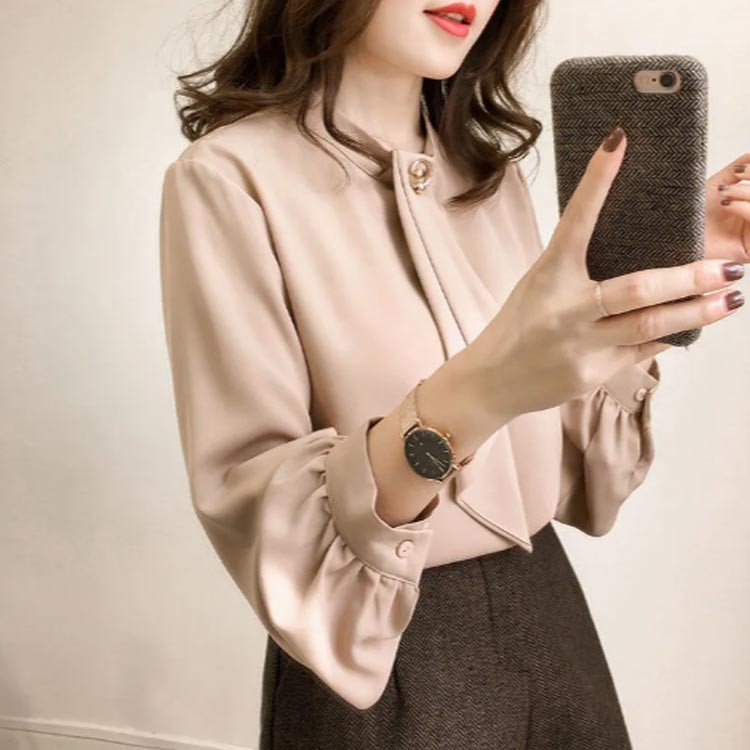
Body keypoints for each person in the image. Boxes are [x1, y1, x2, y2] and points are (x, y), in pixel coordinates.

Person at [158, 1, 746, 747]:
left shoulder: (487, 177)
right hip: (381, 657)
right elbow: (265, 516)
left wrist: (662, 275)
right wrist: (486, 386)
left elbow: (578, 479)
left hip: (552, 619)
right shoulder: (229, 178)